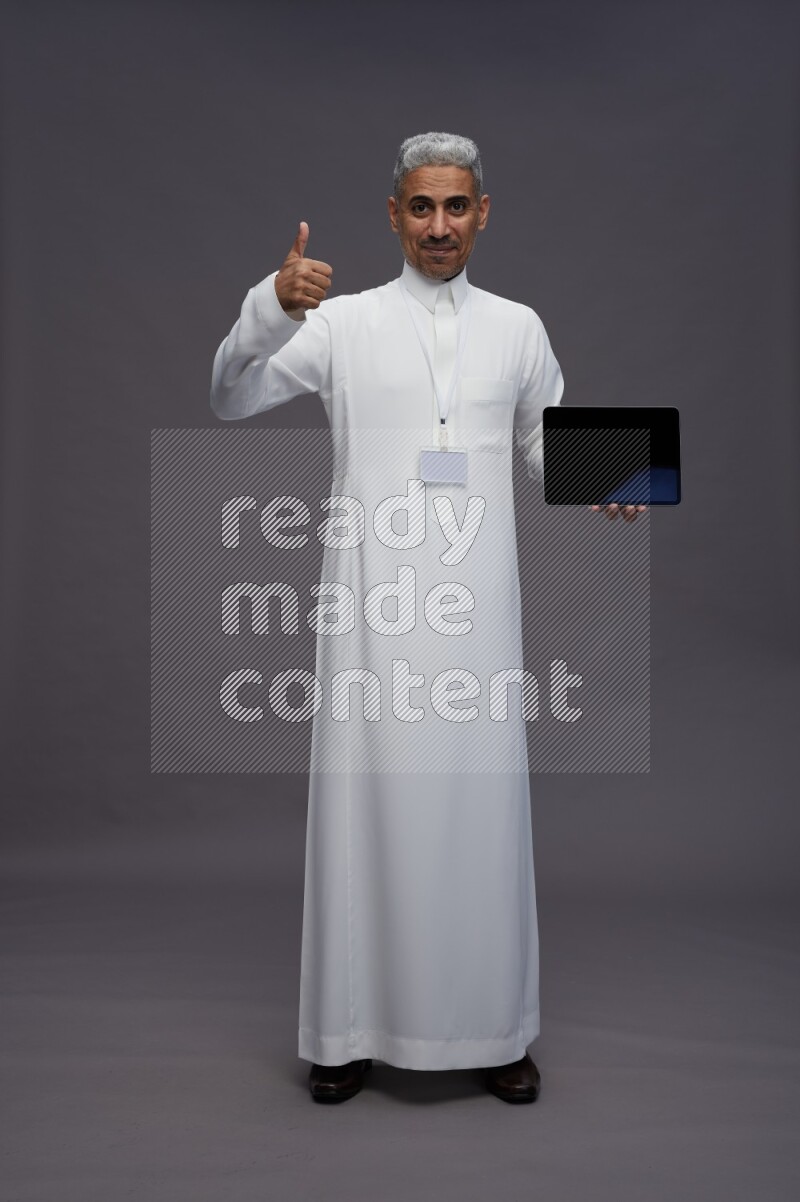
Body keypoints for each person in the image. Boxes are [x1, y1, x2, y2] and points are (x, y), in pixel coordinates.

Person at [210, 131, 644, 1105]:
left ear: (481, 212)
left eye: (455, 207)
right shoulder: (342, 325)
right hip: (372, 607)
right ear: (393, 215)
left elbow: (540, 444)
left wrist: (611, 477)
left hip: (476, 613)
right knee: (366, 806)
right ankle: (346, 1031)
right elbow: (229, 395)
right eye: (420, 207)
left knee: (479, 812)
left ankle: (493, 1028)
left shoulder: (517, 328)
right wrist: (268, 309)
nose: (438, 225)